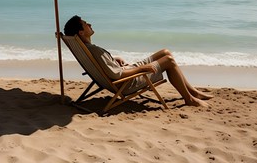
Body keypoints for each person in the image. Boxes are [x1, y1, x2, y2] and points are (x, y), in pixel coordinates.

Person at [64, 15, 213, 107]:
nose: (90, 24)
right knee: (168, 61)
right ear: (81, 32)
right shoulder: (94, 50)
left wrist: (112, 59)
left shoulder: (89, 49)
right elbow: (117, 75)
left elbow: (105, 66)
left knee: (165, 52)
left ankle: (192, 92)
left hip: (125, 73)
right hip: (128, 82)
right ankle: (189, 99)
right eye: (85, 23)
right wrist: (143, 69)